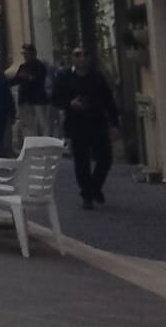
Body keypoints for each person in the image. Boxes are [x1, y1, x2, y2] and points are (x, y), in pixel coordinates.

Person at [50, 46, 120, 208]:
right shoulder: (64, 77)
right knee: (81, 161)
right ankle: (87, 195)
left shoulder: (97, 78)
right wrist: (70, 103)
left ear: (89, 58)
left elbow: (108, 101)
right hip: (76, 123)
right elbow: (55, 98)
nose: (82, 58)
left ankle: (94, 187)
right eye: (78, 55)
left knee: (105, 159)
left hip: (97, 122)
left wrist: (114, 123)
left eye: (85, 54)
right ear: (72, 58)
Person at [10, 44, 52, 141]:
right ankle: (31, 143)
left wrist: (28, 77)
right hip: (25, 99)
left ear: (33, 53)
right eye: (24, 54)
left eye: (27, 53)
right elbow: (16, 80)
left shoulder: (40, 66)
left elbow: (39, 79)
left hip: (38, 99)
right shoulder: (22, 66)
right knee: (27, 124)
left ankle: (47, 143)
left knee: (43, 123)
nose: (25, 55)